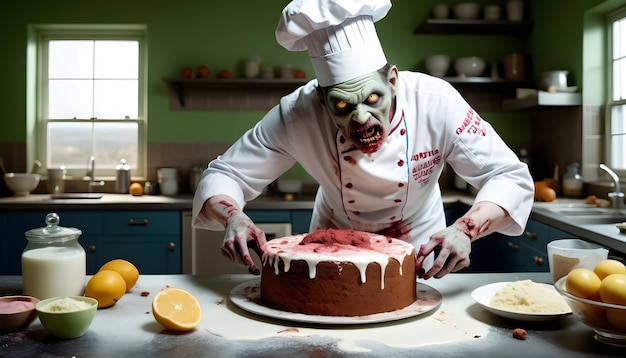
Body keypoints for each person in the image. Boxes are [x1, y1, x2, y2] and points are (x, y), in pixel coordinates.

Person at [192, 0, 534, 280]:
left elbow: (507, 176)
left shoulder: (436, 100)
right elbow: (225, 174)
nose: (360, 119)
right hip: (331, 246)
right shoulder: (298, 112)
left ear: (393, 81)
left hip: (421, 246)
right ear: (321, 100)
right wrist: (233, 216)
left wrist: (465, 229)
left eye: (373, 100)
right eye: (342, 105)